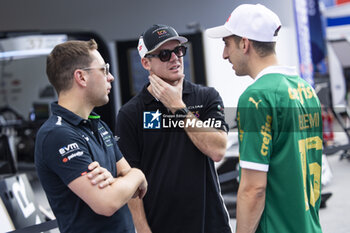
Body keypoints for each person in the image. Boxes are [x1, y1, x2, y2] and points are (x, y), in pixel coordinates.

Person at [206, 3, 323, 233]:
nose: (224, 54)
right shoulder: (306, 90)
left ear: (245, 43)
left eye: (227, 44)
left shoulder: (256, 98)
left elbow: (253, 189)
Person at [115, 24, 232, 233]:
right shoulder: (130, 114)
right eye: (164, 54)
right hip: (161, 225)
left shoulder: (206, 98)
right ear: (145, 62)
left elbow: (218, 150)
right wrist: (142, 228)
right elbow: (129, 177)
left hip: (210, 224)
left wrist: (178, 108)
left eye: (178, 50)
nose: (175, 58)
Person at [34, 39, 148, 233]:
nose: (110, 77)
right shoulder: (57, 135)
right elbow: (107, 202)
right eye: (104, 70)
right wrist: (138, 174)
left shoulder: (98, 125)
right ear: (82, 77)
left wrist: (119, 181)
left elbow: (136, 188)